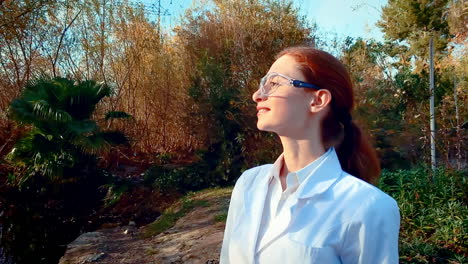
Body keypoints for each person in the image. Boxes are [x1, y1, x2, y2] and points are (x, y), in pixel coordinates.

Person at [220, 46, 400, 264]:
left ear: (318, 100)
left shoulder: (369, 207)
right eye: (262, 85)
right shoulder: (249, 184)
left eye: (274, 83)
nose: (257, 95)